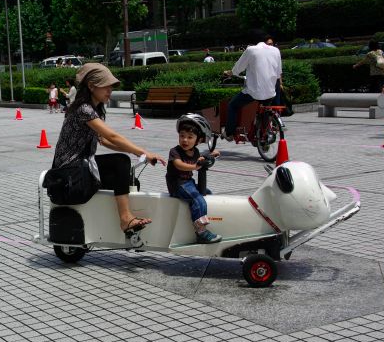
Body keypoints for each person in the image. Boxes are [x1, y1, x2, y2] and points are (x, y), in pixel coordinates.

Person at [52, 63, 165, 235]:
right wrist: (142, 152)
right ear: (91, 86)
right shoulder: (84, 109)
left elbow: (104, 140)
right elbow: (112, 137)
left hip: (79, 167)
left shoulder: (92, 108)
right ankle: (125, 219)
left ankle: (125, 227)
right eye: (106, 86)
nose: (110, 90)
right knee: (121, 162)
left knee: (128, 180)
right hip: (69, 172)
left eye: (111, 86)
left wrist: (136, 153)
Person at [166, 114, 222, 244]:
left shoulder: (195, 151)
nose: (185, 140)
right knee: (198, 199)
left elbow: (200, 156)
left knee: (206, 192)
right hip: (177, 185)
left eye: (190, 137)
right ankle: (201, 232)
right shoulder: (175, 152)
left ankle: (209, 218)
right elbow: (179, 164)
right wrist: (194, 167)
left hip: (187, 183)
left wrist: (210, 154)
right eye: (182, 136)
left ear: (198, 140)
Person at [221, 29, 282, 140]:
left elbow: (237, 69)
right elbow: (278, 74)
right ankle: (264, 134)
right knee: (265, 109)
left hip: (254, 93)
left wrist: (230, 72)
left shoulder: (251, 50)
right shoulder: (276, 51)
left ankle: (229, 132)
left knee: (232, 105)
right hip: (271, 92)